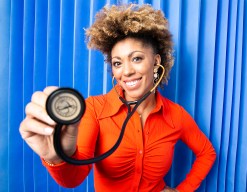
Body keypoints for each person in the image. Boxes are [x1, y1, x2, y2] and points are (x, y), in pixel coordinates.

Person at [19, 4, 216, 192]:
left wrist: (183, 190)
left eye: (136, 58)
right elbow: (73, 179)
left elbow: (207, 153)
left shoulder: (176, 115)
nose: (127, 71)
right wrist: (55, 156)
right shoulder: (94, 109)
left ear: (156, 62)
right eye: (117, 63)